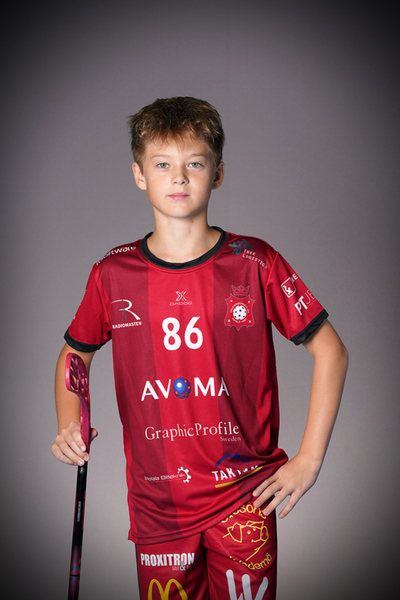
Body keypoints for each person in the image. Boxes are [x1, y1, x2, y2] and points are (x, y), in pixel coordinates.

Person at [52, 97, 348, 599]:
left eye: (194, 163)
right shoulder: (113, 273)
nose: (179, 177)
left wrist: (309, 459)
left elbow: (332, 352)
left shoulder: (255, 261)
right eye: (162, 165)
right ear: (139, 175)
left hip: (244, 497)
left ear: (218, 173)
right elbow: (74, 355)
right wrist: (68, 423)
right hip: (159, 505)